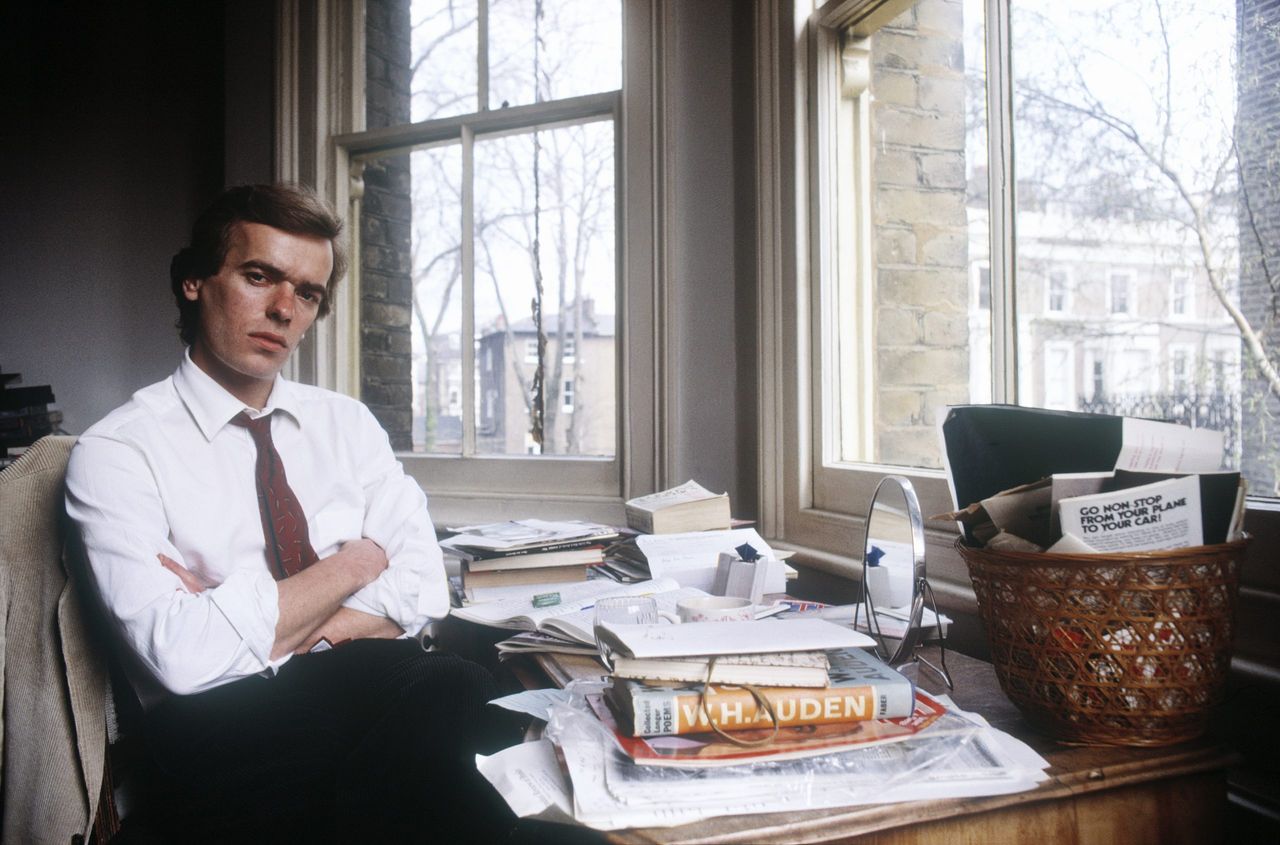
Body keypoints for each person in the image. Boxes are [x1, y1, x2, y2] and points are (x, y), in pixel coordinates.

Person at [65, 184, 518, 843]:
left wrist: (261, 623)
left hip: (367, 700)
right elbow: (184, 657)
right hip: (212, 736)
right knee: (457, 691)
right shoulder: (117, 451)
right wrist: (358, 560)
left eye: (307, 292)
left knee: (465, 715)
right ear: (194, 280)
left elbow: (425, 581)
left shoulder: (345, 424)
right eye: (259, 276)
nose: (284, 308)